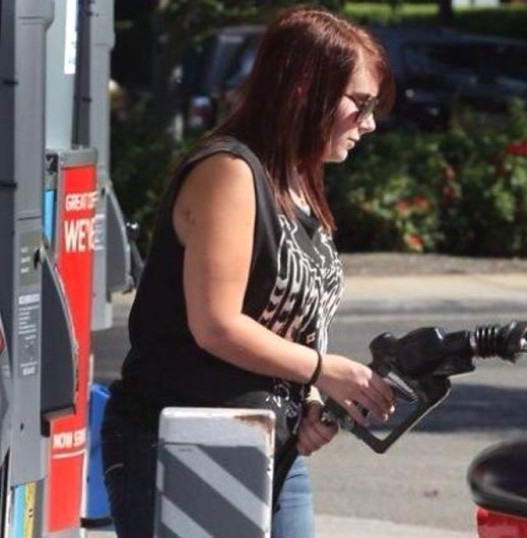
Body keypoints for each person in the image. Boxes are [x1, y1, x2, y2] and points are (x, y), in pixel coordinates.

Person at [100, 6, 396, 538]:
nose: (369, 123)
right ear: (305, 89)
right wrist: (322, 370)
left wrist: (310, 401)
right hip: (187, 437)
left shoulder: (298, 184)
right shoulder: (231, 172)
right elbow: (216, 325)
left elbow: (291, 324)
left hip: (270, 441)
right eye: (360, 103)